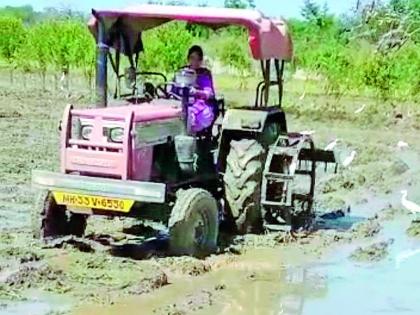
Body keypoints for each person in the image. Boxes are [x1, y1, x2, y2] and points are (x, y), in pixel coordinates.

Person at [177, 45, 215, 133]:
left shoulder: (204, 74)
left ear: (201, 61)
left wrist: (197, 92)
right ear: (188, 59)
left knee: (204, 116)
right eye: (192, 58)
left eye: (198, 59)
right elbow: (173, 90)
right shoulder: (182, 72)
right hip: (181, 104)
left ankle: (189, 137)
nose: (195, 61)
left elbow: (209, 93)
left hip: (200, 106)